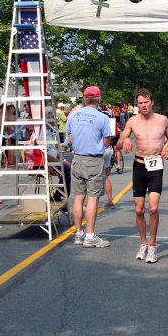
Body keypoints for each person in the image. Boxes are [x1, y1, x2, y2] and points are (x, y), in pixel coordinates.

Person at [115, 88, 168, 263]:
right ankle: (143, 243)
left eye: (146, 102)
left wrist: (167, 147)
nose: (143, 105)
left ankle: (153, 245)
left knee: (154, 208)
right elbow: (118, 144)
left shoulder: (162, 120)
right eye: (140, 103)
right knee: (139, 209)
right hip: (139, 166)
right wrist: (125, 140)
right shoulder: (133, 121)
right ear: (137, 104)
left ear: (152, 102)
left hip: (156, 166)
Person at [66, 86, 112, 248]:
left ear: (84, 99)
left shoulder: (73, 115)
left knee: (78, 197)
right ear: (98, 99)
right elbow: (107, 141)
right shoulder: (102, 117)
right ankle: (90, 235)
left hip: (77, 158)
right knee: (92, 198)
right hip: (93, 160)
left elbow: (70, 138)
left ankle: (78, 233)